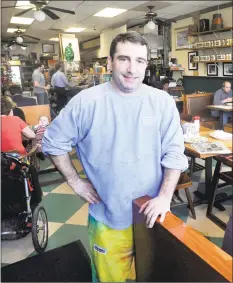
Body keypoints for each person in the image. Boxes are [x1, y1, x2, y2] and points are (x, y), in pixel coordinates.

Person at [42, 31, 188, 282]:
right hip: (108, 218)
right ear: (110, 62)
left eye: (140, 61)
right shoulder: (86, 102)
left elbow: (175, 153)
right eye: (124, 59)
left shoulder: (162, 102)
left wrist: (165, 197)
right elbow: (53, 142)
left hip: (153, 215)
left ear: (146, 65)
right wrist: (76, 182)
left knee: (154, 276)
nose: (132, 68)